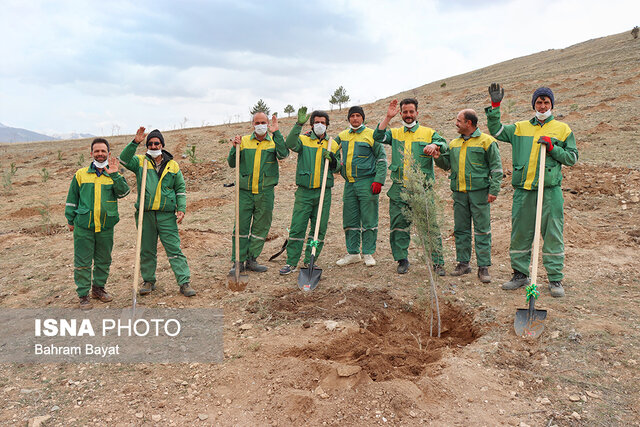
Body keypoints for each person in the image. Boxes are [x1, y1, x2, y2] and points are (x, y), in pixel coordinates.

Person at [485, 84, 578, 297]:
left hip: (550, 191)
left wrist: (554, 148)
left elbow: (572, 158)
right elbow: (497, 130)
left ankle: (555, 279)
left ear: (551, 104)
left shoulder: (563, 129)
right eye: (539, 102)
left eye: (546, 102)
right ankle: (520, 274)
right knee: (520, 233)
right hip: (524, 191)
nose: (542, 105)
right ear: (533, 104)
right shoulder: (520, 128)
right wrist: (495, 106)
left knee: (553, 233)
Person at [373, 98, 447, 275]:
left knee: (430, 226)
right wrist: (387, 117)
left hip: (422, 190)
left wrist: (434, 145)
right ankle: (402, 260)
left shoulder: (428, 133)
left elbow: (444, 144)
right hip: (399, 190)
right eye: (404, 112)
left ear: (417, 113)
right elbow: (377, 136)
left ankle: (437, 263)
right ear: (400, 113)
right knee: (399, 226)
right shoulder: (396, 133)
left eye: (411, 112)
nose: (408, 115)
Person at [119, 127, 195, 297]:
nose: (153, 146)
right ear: (147, 146)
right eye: (150, 144)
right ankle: (148, 281)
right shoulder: (140, 162)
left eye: (156, 143)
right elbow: (123, 160)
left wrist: (181, 208)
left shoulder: (173, 165)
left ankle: (184, 282)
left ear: (162, 145)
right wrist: (135, 142)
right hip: (145, 215)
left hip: (166, 215)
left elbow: (180, 188)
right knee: (147, 249)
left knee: (174, 249)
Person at [432, 109, 503, 283]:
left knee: (482, 230)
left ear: (469, 123)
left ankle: (483, 267)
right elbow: (447, 165)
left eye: (459, 121)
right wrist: (437, 157)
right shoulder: (454, 143)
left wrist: (493, 190)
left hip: (480, 193)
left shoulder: (487, 142)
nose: (456, 123)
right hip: (459, 194)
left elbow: (496, 169)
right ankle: (463, 264)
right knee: (461, 229)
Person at [65, 138, 130, 309]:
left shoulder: (115, 173)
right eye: (97, 151)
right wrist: (70, 220)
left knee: (103, 260)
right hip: (83, 226)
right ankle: (83, 295)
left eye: (103, 151)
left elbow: (124, 193)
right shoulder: (81, 174)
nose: (100, 154)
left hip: (106, 226)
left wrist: (115, 174)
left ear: (108, 153)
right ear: (91, 153)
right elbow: (72, 199)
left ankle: (98, 289)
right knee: (82, 261)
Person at [279, 107, 340, 275]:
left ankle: (309, 260)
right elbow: (290, 144)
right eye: (316, 122)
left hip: (323, 193)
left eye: (323, 122)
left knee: (318, 229)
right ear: (312, 124)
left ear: (327, 125)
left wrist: (334, 160)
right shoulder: (303, 140)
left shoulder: (332, 143)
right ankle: (291, 262)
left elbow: (338, 168)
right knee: (297, 227)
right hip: (304, 192)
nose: (319, 125)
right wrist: (298, 124)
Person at [227, 112, 288, 273]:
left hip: (265, 193)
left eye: (263, 122)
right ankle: (238, 262)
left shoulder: (274, 141)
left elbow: (284, 155)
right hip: (245, 193)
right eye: (257, 122)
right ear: (252, 124)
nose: (260, 125)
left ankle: (251, 259)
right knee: (240, 227)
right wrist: (234, 148)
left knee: (261, 227)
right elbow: (232, 163)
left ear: (268, 124)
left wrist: (277, 132)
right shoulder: (244, 141)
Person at [334, 106, 387, 267]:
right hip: (349, 183)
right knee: (350, 219)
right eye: (352, 116)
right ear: (348, 118)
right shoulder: (342, 136)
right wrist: (334, 162)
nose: (355, 118)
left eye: (358, 116)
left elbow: (382, 159)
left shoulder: (372, 135)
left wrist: (379, 180)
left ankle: (368, 253)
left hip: (367, 183)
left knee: (369, 219)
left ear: (363, 118)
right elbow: (331, 154)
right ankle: (353, 253)